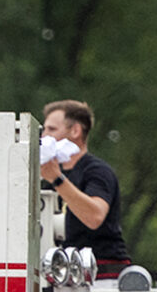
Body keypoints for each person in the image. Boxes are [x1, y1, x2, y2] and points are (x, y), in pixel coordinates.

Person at [36, 99, 132, 277]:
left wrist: (58, 180)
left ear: (75, 131)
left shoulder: (97, 171)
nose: (44, 137)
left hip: (101, 280)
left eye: (52, 129)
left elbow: (94, 217)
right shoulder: (49, 177)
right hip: (64, 278)